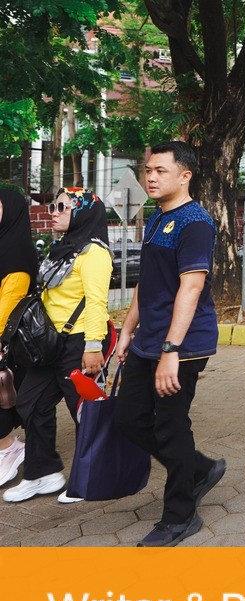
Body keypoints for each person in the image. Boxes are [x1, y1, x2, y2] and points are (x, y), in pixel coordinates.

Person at [114, 142, 226, 545]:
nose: (151, 177)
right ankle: (200, 468)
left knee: (170, 426)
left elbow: (190, 288)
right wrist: (127, 330)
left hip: (184, 344)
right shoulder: (157, 217)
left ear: (185, 176)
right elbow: (147, 282)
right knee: (128, 418)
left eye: (160, 170)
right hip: (149, 338)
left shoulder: (195, 223)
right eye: (148, 170)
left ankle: (180, 515)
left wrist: (171, 351)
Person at [3, 188, 112, 503]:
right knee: (30, 403)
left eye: (63, 207)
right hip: (50, 343)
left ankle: (93, 478)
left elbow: (97, 302)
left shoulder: (94, 253)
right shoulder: (62, 248)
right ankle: (43, 474)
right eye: (53, 206)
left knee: (84, 413)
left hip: (80, 342)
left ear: (82, 212)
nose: (54, 212)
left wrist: (94, 346)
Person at [0, 190, 37, 487]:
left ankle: (8, 448)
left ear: (10, 212)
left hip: (6, 343)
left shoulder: (16, 254)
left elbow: (7, 309)